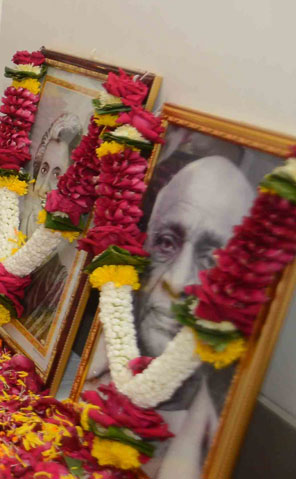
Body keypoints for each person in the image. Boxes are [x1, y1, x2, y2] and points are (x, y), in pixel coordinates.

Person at [87, 155, 255, 478]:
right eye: (166, 243)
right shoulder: (92, 377)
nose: (176, 282)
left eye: (211, 261)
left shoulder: (215, 440)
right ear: (142, 249)